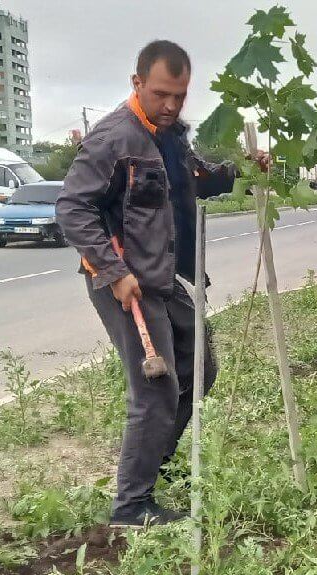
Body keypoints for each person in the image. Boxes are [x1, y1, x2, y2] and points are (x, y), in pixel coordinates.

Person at [57, 40, 269, 527]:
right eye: (161, 94)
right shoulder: (113, 139)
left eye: (179, 94)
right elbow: (72, 208)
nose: (171, 105)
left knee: (200, 368)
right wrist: (113, 271)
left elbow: (196, 179)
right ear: (136, 84)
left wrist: (242, 167)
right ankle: (132, 505)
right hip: (125, 281)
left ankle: (158, 466)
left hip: (166, 277)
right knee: (155, 389)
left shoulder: (169, 136)